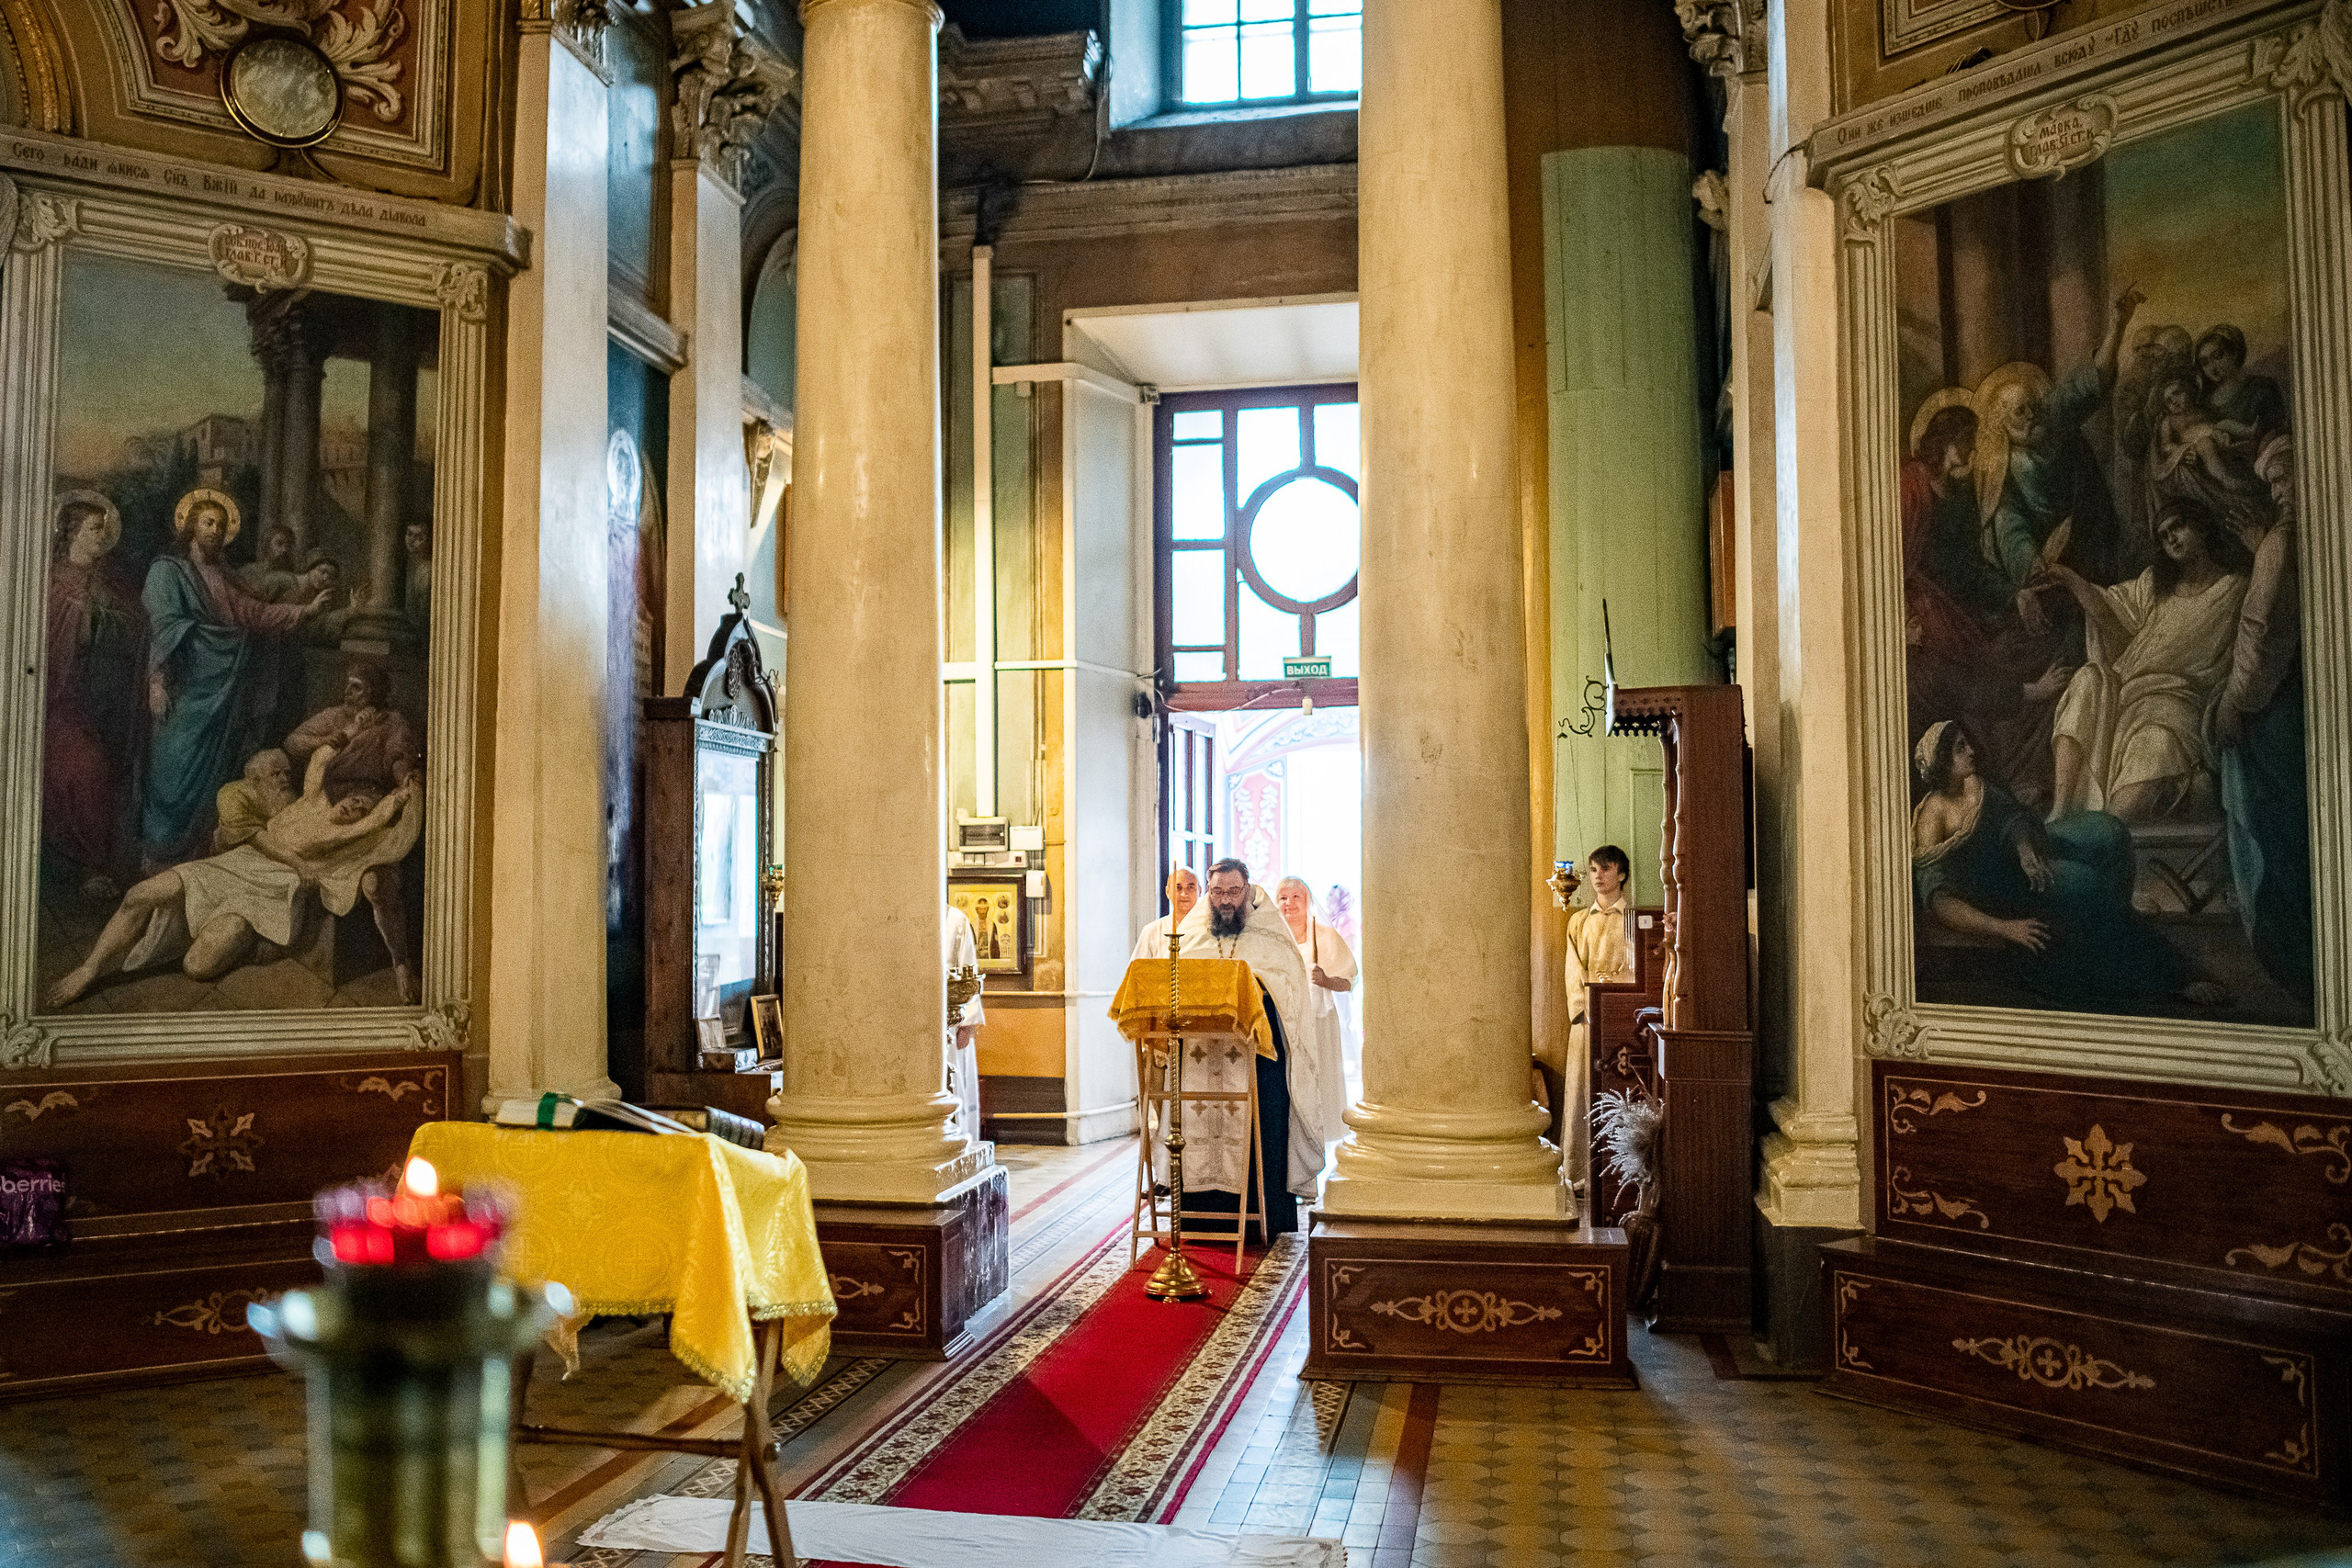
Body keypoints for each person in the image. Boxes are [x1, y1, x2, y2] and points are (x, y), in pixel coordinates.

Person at [47, 741, 424, 1008]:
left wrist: (400, 798)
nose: (352, 806)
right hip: (232, 866)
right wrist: (337, 740)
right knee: (139, 895)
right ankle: (89, 968)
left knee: (197, 968)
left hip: (268, 890)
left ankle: (256, 945)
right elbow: (318, 764)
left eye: (359, 808)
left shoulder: (343, 833)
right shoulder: (310, 801)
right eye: (351, 799)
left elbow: (375, 820)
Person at [1912, 719, 2220, 1011]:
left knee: (2109, 833)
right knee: (2088, 884)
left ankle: (2106, 929)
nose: (1971, 751)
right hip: (2006, 888)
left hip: (2028, 854)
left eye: (1966, 743)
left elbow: (2012, 818)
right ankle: (2165, 975)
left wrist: (2025, 849)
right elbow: (1940, 902)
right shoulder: (1932, 818)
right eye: (1960, 748)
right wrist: (2006, 928)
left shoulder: (1972, 783)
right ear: (1942, 762)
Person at [140, 489, 340, 868]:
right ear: (191, 526)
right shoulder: (167, 570)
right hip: (183, 686)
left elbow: (255, 613)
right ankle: (156, 853)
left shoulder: (225, 576)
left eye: (221, 524)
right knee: (170, 766)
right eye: (207, 522)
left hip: (223, 691)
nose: (215, 530)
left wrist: (307, 611)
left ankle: (196, 856)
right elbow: (164, 628)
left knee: (212, 774)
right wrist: (157, 681)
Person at [2045, 508, 2250, 822]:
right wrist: (2070, 579)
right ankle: (2060, 814)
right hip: (2127, 699)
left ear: (2202, 527)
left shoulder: (2235, 588)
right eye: (2164, 537)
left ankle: (2098, 833)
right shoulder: (2155, 586)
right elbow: (2110, 619)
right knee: (2089, 677)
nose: (2172, 539)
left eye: (2178, 526)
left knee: (2130, 795)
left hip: (2176, 707)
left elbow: (2253, 648)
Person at [1973, 285, 2145, 621]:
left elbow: (2093, 382)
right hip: (2054, 556)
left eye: (2033, 405)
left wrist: (2117, 326)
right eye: (2019, 412)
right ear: (2002, 425)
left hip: (2093, 529)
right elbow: (2009, 525)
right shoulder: (2001, 468)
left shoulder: (2052, 414)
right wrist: (2034, 565)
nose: (2031, 415)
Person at [1166, 859, 1317, 1235]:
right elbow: (1175, 985)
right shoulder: (1191, 935)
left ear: (1247, 889)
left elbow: (1288, 991)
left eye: (1233, 892)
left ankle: (1260, 1220)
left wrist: (1256, 991)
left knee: (1259, 1128)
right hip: (1200, 1057)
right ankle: (1202, 1219)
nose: (1225, 901)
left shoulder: (1271, 934)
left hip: (1257, 1057)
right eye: (1217, 893)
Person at [2215, 437, 2312, 1004]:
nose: (2280, 495)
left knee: (2278, 825)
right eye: (2273, 485)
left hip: (2276, 706)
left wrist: (2234, 702)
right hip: (2298, 696)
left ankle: (2289, 954)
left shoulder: (2283, 542)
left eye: (2286, 481)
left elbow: (2260, 630)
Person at [42, 491, 148, 900]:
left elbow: (138, 625)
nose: (101, 537)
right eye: (93, 528)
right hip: (59, 699)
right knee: (85, 770)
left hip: (111, 697)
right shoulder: (50, 580)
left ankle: (93, 863)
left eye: (105, 529)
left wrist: (109, 619)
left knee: (112, 769)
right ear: (70, 532)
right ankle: (88, 864)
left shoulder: (114, 582)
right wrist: (81, 616)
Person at [1547, 845, 1634, 1191]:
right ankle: (1579, 1172)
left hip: (1621, 1020)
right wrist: (1584, 1008)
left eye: (1606, 869)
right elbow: (1573, 971)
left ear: (1622, 874)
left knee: (1620, 1090)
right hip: (1587, 1021)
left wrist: (1617, 1007)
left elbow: (1635, 969)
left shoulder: (1634, 919)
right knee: (1582, 1090)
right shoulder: (1578, 921)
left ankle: (1621, 1174)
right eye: (1594, 869)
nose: (1598, 876)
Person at [1275, 876, 1356, 1176]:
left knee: (1315, 1094)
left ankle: (1311, 1166)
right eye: (1283, 897)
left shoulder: (1325, 936)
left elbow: (1348, 981)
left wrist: (1325, 980)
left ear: (1307, 900)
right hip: (1281, 1026)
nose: (1289, 903)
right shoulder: (1272, 938)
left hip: (1318, 1025)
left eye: (1296, 896)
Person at [284, 662, 423, 802]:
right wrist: (324, 740)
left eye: (356, 687)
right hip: (325, 799)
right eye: (348, 685)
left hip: (368, 799)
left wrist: (403, 780)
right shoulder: (334, 715)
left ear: (374, 693)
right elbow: (291, 742)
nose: (347, 691)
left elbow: (399, 755)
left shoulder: (392, 721)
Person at [944, 902, 986, 1141]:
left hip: (952, 1018)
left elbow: (969, 969)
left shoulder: (955, 919)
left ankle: (962, 1137)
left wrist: (967, 1022)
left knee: (956, 1078)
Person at [212, 749, 297, 852]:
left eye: (287, 773)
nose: (285, 779)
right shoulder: (232, 793)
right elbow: (256, 838)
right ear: (257, 778)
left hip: (271, 853)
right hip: (235, 853)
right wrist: (298, 863)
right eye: (276, 774)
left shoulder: (286, 795)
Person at [1130, 865, 1201, 961]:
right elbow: (1138, 971)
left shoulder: (1209, 930)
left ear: (1200, 891)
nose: (1184, 894)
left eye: (1190, 887)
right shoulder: (1152, 931)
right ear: (1167, 892)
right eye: (1178, 888)